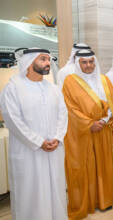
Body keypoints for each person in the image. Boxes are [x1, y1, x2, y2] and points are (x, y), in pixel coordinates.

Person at [0, 48, 68, 220]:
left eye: (48, 59)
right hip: (29, 152)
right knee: (31, 193)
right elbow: (13, 121)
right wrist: (39, 142)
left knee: (55, 190)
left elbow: (63, 115)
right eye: (43, 59)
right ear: (29, 63)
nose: (47, 63)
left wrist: (58, 138)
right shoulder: (13, 88)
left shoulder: (53, 89)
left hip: (54, 150)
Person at [62, 49, 113, 219]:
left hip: (104, 130)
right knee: (86, 168)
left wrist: (104, 120)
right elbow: (69, 109)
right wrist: (89, 124)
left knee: (104, 166)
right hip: (83, 134)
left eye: (91, 62)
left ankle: (105, 200)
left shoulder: (104, 79)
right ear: (78, 63)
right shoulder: (70, 82)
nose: (89, 66)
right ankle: (87, 203)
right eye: (84, 62)